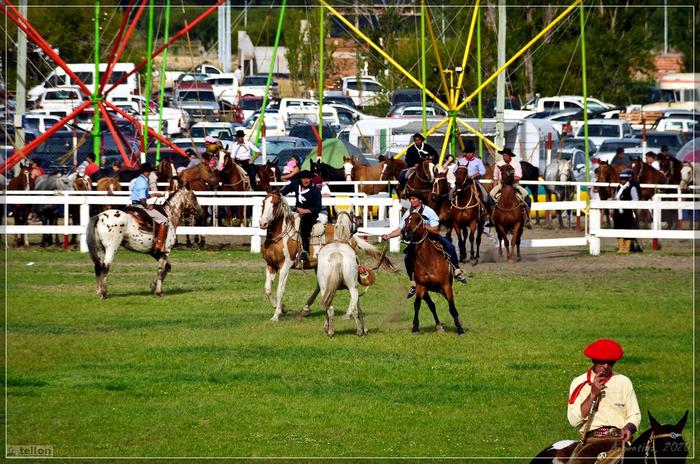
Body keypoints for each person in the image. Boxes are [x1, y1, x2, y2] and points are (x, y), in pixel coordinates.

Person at [381, 191, 467, 299]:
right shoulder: (408, 213)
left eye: (414, 199)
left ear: (420, 200)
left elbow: (436, 229)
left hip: (431, 237)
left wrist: (424, 226)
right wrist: (388, 236)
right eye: (410, 199)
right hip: (417, 241)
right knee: (407, 258)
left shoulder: (429, 211)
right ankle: (413, 283)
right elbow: (400, 229)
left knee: (450, 247)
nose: (411, 201)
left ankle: (456, 271)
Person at [566, 339, 641, 460]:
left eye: (610, 363)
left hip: (619, 440)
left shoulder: (624, 382)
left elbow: (634, 414)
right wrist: (592, 394)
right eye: (602, 362)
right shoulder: (579, 382)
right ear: (594, 360)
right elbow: (574, 420)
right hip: (592, 441)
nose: (606, 366)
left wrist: (629, 428)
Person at [280, 170, 322, 262]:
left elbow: (318, 207)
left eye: (308, 178)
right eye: (304, 178)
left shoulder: (315, 190)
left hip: (310, 214)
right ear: (300, 179)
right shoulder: (296, 184)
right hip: (297, 211)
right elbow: (284, 191)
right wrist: (276, 194)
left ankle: (305, 252)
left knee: (304, 226)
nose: (306, 180)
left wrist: (305, 211)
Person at [130, 162, 168, 253]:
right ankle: (159, 246)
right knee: (164, 219)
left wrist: (154, 195)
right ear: (146, 172)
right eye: (149, 172)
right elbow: (142, 198)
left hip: (135, 203)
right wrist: (147, 206)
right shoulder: (143, 182)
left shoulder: (139, 179)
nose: (150, 173)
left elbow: (144, 195)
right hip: (139, 205)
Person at [453, 141, 493, 224]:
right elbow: (454, 171)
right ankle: (451, 211)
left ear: (473, 153)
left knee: (485, 195)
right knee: (450, 193)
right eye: (467, 153)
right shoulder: (461, 161)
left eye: (470, 153)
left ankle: (486, 213)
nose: (468, 154)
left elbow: (483, 171)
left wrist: (475, 175)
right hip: (461, 183)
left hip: (474, 182)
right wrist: (459, 178)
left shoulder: (478, 161)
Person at [491, 147, 531, 228]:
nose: (504, 157)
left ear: (510, 156)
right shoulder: (498, 164)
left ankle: (527, 218)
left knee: (526, 197)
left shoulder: (516, 164)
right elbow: (495, 177)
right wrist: (495, 187)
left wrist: (510, 178)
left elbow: (519, 176)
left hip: (514, 184)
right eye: (503, 155)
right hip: (501, 184)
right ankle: (492, 218)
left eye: (505, 155)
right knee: (491, 195)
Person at [612, 169, 639, 253]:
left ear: (627, 180)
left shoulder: (631, 187)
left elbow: (635, 199)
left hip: (627, 212)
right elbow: (616, 198)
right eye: (621, 179)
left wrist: (627, 204)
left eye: (624, 179)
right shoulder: (618, 188)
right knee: (617, 227)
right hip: (618, 211)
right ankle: (621, 247)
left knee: (627, 227)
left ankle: (627, 248)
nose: (622, 181)